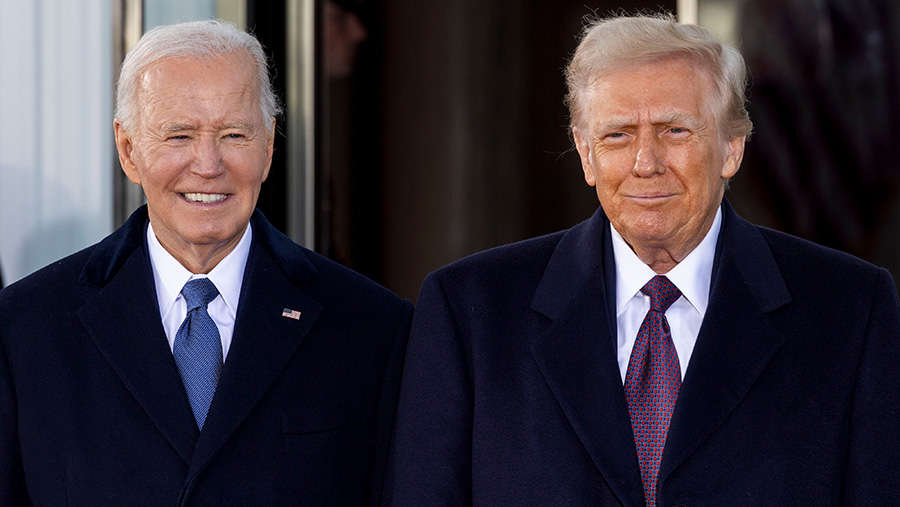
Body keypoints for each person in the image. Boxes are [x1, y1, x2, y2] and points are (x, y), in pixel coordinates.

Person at [384, 13, 900, 507]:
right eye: (617, 135)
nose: (645, 163)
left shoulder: (850, 311)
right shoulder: (470, 312)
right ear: (586, 155)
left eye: (675, 130)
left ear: (731, 149)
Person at [0, 20, 411, 505]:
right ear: (128, 150)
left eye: (235, 134)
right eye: (179, 136)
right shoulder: (27, 326)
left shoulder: (373, 327)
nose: (208, 165)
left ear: (269, 147)